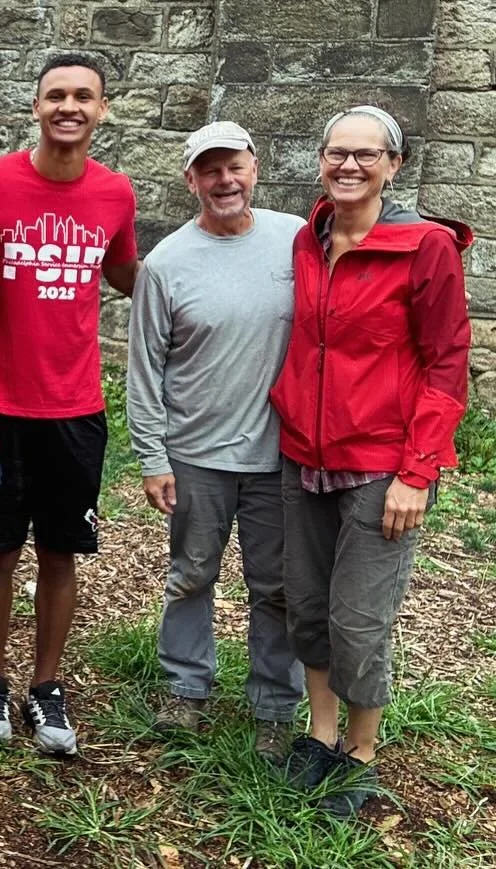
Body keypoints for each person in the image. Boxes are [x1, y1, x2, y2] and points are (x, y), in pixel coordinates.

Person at [269, 105, 471, 817]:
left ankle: (360, 750)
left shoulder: (423, 249)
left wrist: (419, 470)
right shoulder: (307, 238)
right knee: (310, 605)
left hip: (381, 464)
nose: (349, 165)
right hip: (304, 456)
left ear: (395, 165)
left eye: (366, 154)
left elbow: (448, 362)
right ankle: (319, 734)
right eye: (337, 153)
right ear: (320, 160)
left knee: (360, 617)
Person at [0, 53, 140, 756]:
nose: (69, 106)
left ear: (102, 110)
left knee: (62, 551)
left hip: (74, 408)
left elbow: (132, 274)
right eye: (56, 95)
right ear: (35, 106)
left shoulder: (115, 193)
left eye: (84, 97)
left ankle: (45, 684)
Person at [125, 121, 306, 765]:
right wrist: (152, 456)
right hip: (196, 454)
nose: (224, 181)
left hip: (280, 455)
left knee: (278, 584)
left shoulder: (297, 241)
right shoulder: (167, 263)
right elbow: (145, 369)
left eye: (235, 167)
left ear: (256, 168)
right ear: (191, 180)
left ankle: (274, 708)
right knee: (191, 576)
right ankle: (185, 686)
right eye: (210, 170)